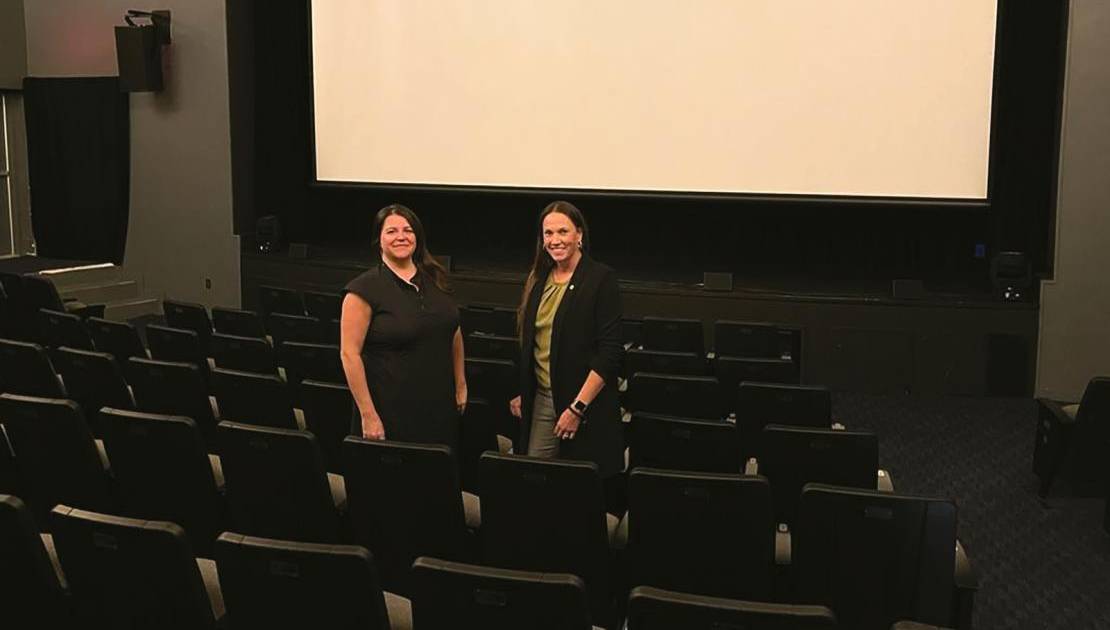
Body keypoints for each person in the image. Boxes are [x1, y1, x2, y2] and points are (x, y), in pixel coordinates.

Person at [510, 201, 624, 479]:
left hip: (584, 402)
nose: (555, 240)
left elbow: (610, 353)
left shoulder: (600, 279)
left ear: (579, 235)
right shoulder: (538, 279)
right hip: (542, 399)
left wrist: (577, 407)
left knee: (579, 487)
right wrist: (524, 390)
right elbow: (532, 343)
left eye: (563, 231)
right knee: (535, 478)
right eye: (548, 234)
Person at [340, 204, 466, 451]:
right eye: (392, 231)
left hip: (438, 409)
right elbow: (349, 354)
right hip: (389, 413)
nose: (401, 237)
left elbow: (454, 332)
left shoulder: (435, 279)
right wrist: (368, 414)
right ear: (379, 240)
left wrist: (461, 384)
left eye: (408, 230)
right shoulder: (362, 290)